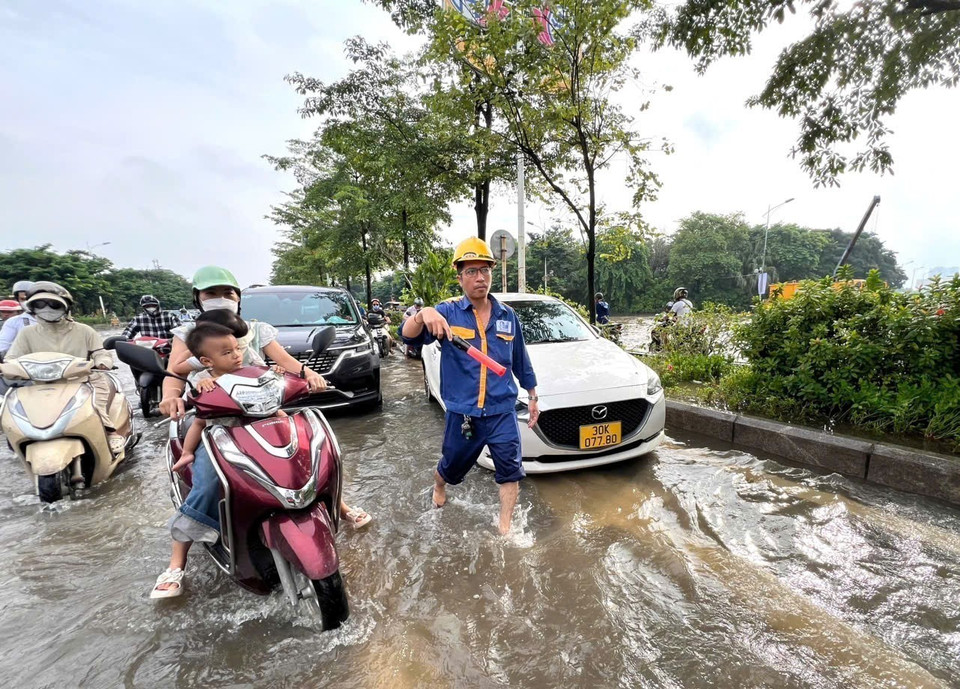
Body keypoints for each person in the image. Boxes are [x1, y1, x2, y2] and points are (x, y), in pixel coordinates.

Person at [153, 267, 370, 597]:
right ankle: (176, 562)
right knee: (209, 479)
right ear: (197, 298)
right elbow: (175, 371)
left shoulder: (254, 331)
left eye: (227, 292)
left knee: (305, 453)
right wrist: (171, 395)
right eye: (210, 294)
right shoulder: (192, 335)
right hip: (219, 423)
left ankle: (337, 505)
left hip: (262, 414)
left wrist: (309, 376)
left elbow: (285, 362)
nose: (220, 299)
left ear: (238, 297)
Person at [402, 237, 539, 535]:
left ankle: (504, 529)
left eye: (485, 270)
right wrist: (423, 313)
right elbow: (408, 338)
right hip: (464, 414)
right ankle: (439, 485)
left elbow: (520, 359)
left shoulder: (507, 315)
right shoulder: (447, 312)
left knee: (510, 471)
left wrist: (532, 394)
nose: (480, 278)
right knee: (451, 467)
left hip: (502, 410)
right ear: (459, 275)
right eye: (471, 271)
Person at [5, 282, 129, 453]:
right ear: (33, 308)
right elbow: (11, 358)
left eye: (53, 304)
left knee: (97, 403)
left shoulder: (84, 330)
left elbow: (100, 352)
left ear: (65, 307)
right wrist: (10, 368)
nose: (47, 309)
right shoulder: (26, 333)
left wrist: (102, 363)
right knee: (14, 405)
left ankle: (109, 431)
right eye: (40, 304)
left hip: (83, 380)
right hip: (41, 385)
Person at [0, 280, 36, 357]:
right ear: (18, 300)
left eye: (30, 298)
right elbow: (3, 345)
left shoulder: (56, 320)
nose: (27, 301)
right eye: (22, 299)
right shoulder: (13, 322)